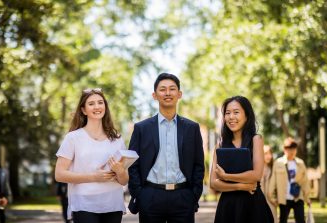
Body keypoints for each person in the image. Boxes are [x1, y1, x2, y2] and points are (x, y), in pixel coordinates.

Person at [128, 73, 205, 223]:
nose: (168, 93)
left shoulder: (192, 128)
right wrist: (140, 194)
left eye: (172, 89)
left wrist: (193, 194)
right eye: (162, 89)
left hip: (183, 196)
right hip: (150, 196)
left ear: (179, 94)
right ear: (154, 95)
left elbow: (198, 164)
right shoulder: (141, 128)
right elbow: (133, 164)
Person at [55, 88, 129, 223]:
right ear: (83, 110)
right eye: (91, 103)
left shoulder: (117, 139)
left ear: (105, 107)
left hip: (112, 203)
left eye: (100, 102)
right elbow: (59, 174)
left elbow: (124, 181)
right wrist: (94, 177)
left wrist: (120, 171)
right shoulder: (73, 138)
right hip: (84, 203)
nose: (97, 106)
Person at [210, 95, 274, 223]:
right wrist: (240, 186)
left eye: (236, 112)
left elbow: (256, 175)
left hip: (253, 205)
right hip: (228, 207)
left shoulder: (256, 140)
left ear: (247, 115)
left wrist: (226, 176)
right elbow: (213, 183)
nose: (231, 117)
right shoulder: (220, 145)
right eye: (227, 113)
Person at [268, 137, 311, 223]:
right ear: (284, 149)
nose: (292, 151)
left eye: (294, 148)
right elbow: (273, 181)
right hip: (284, 199)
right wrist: (272, 197)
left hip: (298, 197)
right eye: (289, 148)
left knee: (301, 220)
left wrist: (307, 198)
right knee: (283, 220)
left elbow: (305, 182)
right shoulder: (278, 163)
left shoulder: (300, 163)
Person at [261, 145, 277, 223]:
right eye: (266, 153)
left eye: (270, 153)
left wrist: (276, 199)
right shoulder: (256, 169)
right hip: (258, 204)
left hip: (271, 204)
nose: (269, 156)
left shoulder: (273, 168)